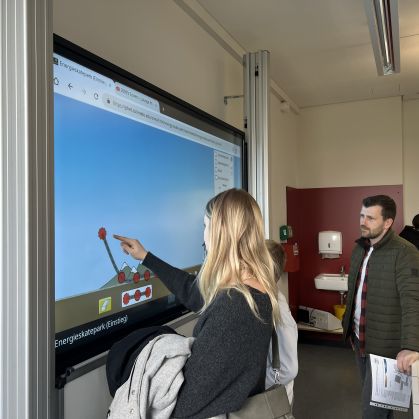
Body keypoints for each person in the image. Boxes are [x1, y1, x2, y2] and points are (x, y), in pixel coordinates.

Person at [114, 188, 280, 419]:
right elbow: (193, 293)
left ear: (221, 233)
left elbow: (187, 403)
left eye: (205, 226)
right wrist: (145, 257)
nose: (203, 237)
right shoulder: (253, 292)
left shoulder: (234, 306)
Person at [342, 195, 419, 419]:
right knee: (382, 408)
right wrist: (348, 326)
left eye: (370, 218)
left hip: (387, 350)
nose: (363, 222)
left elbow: (413, 301)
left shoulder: (406, 253)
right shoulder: (359, 249)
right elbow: (355, 292)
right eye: (361, 216)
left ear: (387, 222)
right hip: (361, 341)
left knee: (373, 412)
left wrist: (410, 346)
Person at [265, 240, 298, 406]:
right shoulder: (262, 300)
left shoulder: (278, 308)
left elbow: (288, 369)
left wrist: (251, 383)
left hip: (273, 402)